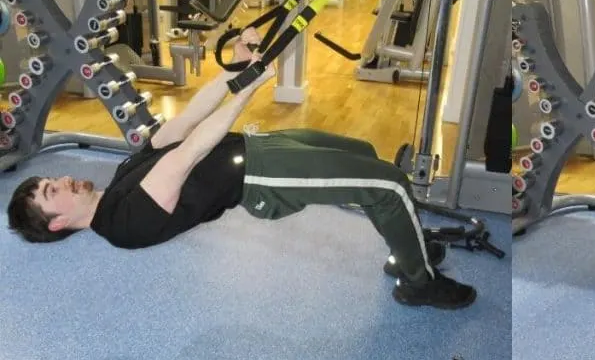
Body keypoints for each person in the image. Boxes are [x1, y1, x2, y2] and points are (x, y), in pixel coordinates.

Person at [7, 28, 475, 310]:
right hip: (260, 178)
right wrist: (249, 89)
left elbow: (187, 121)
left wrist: (235, 68)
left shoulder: (119, 181)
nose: (62, 180)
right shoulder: (123, 225)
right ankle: (418, 283)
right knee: (389, 184)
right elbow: (188, 153)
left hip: (255, 147)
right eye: (52, 192)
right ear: (61, 222)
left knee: (365, 154)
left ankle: (406, 247)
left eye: (51, 181)